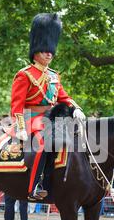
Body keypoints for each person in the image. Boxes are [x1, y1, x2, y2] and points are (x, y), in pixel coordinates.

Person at [10, 13, 85, 201]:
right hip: (31, 119)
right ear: (36, 49)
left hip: (51, 119)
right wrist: (19, 128)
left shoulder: (53, 75)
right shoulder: (25, 75)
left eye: (51, 50)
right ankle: (34, 187)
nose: (49, 53)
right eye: (45, 49)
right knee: (43, 144)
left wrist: (75, 108)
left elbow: (63, 96)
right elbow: (16, 105)